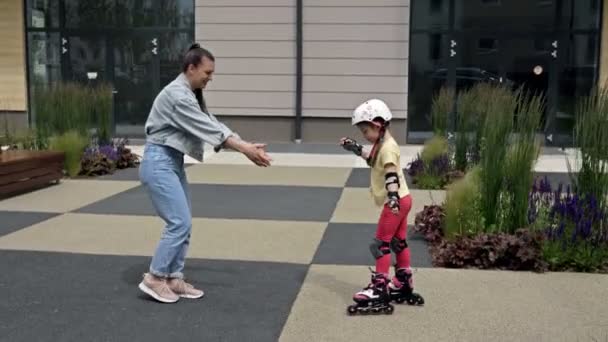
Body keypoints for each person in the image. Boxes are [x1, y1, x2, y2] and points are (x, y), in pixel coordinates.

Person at [138, 43, 272, 303]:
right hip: (159, 162)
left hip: (171, 161)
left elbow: (212, 122)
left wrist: (243, 143)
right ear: (191, 68)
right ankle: (155, 277)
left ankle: (173, 278)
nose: (210, 78)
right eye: (207, 72)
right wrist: (244, 149)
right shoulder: (177, 96)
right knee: (179, 222)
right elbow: (206, 127)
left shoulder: (189, 92)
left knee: (184, 222)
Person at [340, 99, 424, 315]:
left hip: (395, 200)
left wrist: (393, 197)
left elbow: (390, 174)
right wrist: (357, 149)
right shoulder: (384, 144)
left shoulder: (388, 149)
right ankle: (403, 281)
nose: (364, 135)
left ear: (378, 125)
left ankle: (379, 288)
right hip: (404, 199)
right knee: (398, 242)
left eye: (365, 130)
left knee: (380, 245)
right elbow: (373, 160)